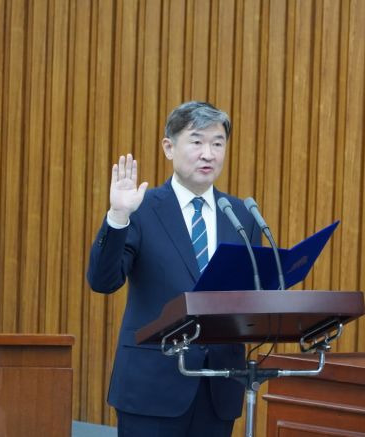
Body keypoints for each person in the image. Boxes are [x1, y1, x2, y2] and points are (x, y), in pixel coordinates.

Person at [87, 101, 261, 437]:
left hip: (218, 387)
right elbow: (103, 281)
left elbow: (250, 296)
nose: (208, 154)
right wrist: (118, 216)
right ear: (169, 147)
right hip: (152, 386)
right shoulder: (141, 208)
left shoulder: (241, 215)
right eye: (197, 142)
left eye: (217, 143)